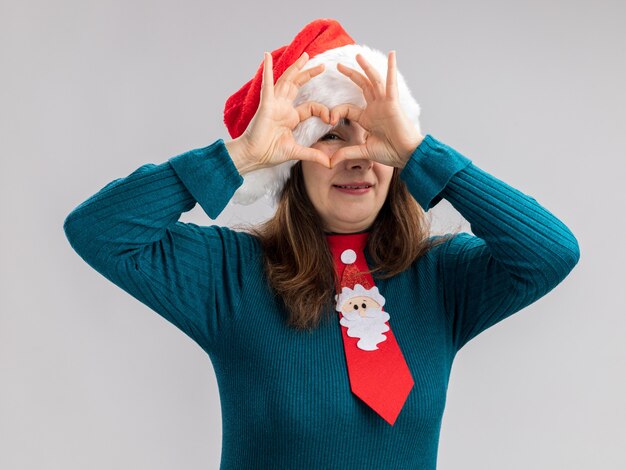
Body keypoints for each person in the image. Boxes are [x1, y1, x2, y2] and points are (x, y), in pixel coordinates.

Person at [63, 18, 580, 470]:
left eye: (374, 136)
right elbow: (99, 231)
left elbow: (552, 252)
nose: (358, 157)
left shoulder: (442, 278)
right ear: (293, 163)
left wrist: (420, 152)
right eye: (331, 136)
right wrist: (238, 156)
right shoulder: (231, 274)